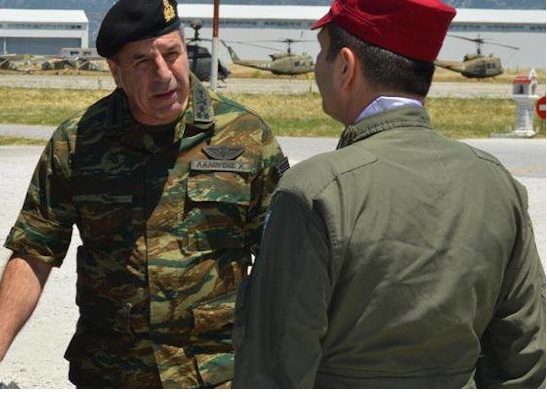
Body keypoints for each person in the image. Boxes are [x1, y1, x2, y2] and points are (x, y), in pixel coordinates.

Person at [0, 0, 288, 388]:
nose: (163, 74)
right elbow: (35, 250)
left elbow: (284, 256)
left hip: (217, 375)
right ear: (116, 71)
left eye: (172, 54)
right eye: (142, 61)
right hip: (112, 375)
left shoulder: (245, 136)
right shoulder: (78, 143)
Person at [232, 0, 545, 388]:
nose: (316, 68)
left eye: (322, 53)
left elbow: (274, 369)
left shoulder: (315, 191)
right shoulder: (497, 184)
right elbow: (524, 357)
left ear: (345, 66)